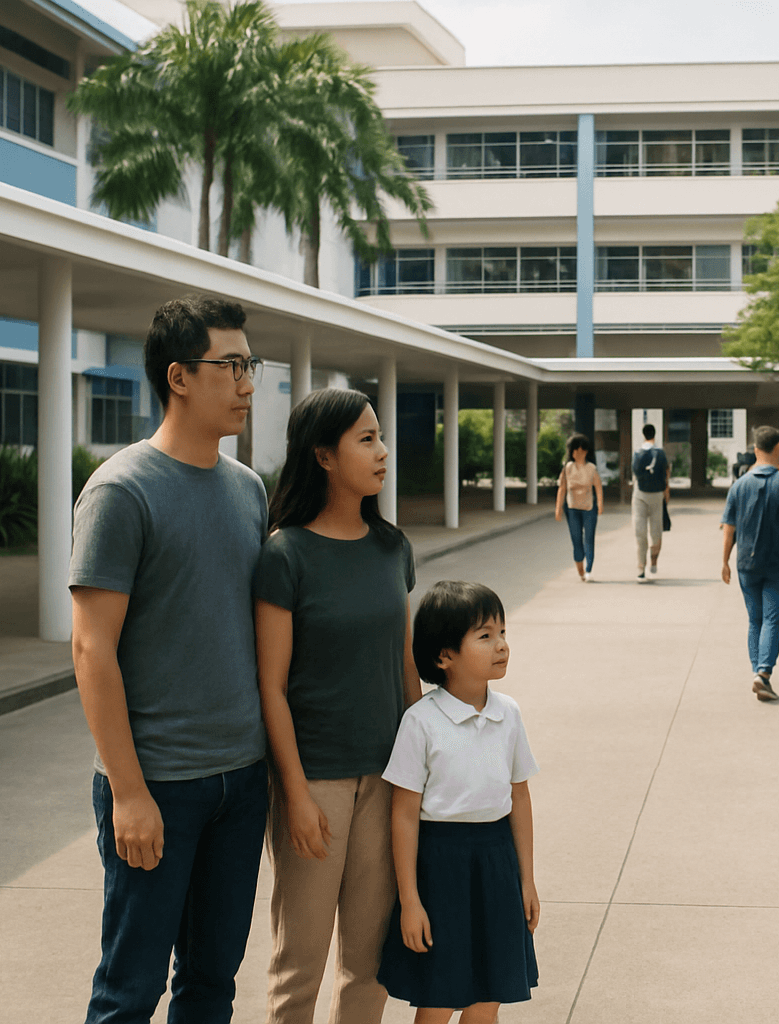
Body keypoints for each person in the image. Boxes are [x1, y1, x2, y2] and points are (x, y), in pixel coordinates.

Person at [70, 296, 270, 1022]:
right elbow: (92, 649)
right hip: (157, 785)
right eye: (233, 365)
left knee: (212, 982)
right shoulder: (122, 491)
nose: (248, 382)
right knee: (130, 991)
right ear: (180, 377)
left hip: (242, 783)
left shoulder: (247, 490)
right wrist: (128, 792)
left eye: (253, 365)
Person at [254, 389, 423, 1023]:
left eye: (380, 437)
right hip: (315, 783)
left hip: (387, 781)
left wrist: (423, 773)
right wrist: (293, 794)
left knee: (370, 963)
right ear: (324, 454)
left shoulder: (391, 548)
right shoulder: (285, 554)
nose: (382, 453)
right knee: (299, 961)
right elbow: (271, 685)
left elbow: (406, 668)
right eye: (366, 440)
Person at [378, 581, 540, 1022]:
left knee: (491, 995)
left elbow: (519, 797)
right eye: (485, 636)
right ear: (443, 656)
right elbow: (405, 814)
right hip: (441, 869)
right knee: (440, 996)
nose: (502, 645)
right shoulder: (421, 722)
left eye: (503, 632)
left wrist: (526, 879)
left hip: (496, 863)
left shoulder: (509, 713)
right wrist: (410, 900)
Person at [720, 425, 779, 702]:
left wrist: (725, 562)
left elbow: (729, 529)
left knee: (755, 620)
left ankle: (757, 673)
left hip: (746, 564)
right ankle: (763, 674)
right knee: (773, 619)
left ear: (755, 450)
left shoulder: (739, 486)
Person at [555, 433, 603, 582]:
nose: (577, 453)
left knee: (589, 538)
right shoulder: (567, 468)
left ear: (586, 451)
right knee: (576, 539)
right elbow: (562, 488)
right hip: (572, 508)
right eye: (575, 450)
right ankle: (580, 570)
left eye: (580, 450)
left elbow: (598, 487)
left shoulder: (591, 468)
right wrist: (558, 508)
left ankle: (588, 569)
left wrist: (600, 504)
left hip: (589, 508)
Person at [630, 422, 670, 583]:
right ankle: (653, 562)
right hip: (657, 496)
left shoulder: (637, 453)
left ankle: (641, 569)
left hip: (639, 495)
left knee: (640, 533)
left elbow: (634, 472)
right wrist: (666, 493)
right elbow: (666, 474)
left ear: (643, 435)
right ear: (654, 435)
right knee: (656, 533)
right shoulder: (660, 454)